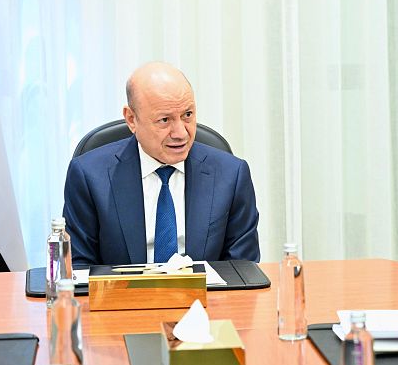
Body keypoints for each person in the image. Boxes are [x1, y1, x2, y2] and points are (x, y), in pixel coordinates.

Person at [63, 62, 260, 266]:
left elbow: (244, 268)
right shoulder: (89, 176)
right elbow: (78, 269)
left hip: (205, 288)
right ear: (131, 119)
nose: (181, 133)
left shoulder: (231, 175)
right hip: (122, 288)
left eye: (187, 115)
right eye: (164, 120)